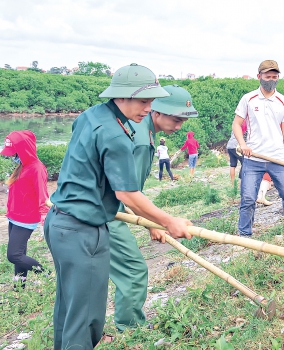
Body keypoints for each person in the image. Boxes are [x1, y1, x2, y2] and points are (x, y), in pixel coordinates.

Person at [44, 63, 193, 349]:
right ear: (121, 96)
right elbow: (127, 193)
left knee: (69, 311)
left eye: (151, 101)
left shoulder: (90, 116)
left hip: (60, 223)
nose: (149, 108)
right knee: (87, 318)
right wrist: (168, 221)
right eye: (144, 101)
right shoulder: (117, 136)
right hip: (83, 230)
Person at [106, 84, 197, 334]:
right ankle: (131, 330)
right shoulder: (138, 137)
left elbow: (131, 188)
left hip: (110, 208)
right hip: (102, 212)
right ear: (156, 111)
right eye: (176, 119)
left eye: (183, 120)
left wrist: (149, 223)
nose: (179, 126)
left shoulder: (145, 131)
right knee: (133, 270)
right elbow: (126, 192)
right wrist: (164, 221)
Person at [232, 59, 284, 237]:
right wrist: (243, 144)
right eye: (267, 76)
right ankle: (245, 235)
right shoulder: (248, 99)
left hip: (277, 158)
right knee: (248, 199)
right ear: (259, 77)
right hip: (253, 158)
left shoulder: (283, 101)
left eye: (274, 77)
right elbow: (236, 124)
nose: (271, 80)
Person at [2, 131, 49, 288]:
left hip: (25, 219)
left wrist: (44, 219)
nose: (13, 156)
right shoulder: (23, 165)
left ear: (24, 149)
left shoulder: (37, 168)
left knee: (14, 255)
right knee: (20, 255)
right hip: (14, 217)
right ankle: (19, 289)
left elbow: (43, 195)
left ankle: (46, 274)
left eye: (15, 152)